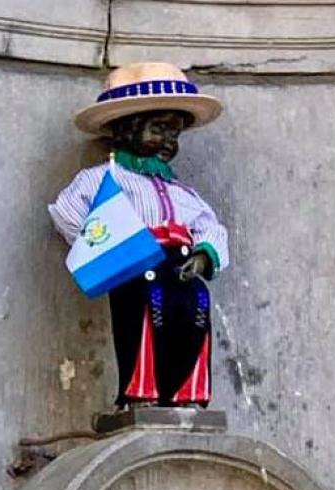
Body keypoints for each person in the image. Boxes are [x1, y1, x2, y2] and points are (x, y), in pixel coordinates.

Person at [49, 62, 229, 408]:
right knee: (145, 320)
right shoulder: (102, 179)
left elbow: (210, 226)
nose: (168, 141)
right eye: (159, 129)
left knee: (196, 309)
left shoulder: (180, 191)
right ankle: (141, 392)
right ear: (127, 130)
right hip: (138, 266)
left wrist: (204, 254)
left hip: (181, 266)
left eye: (174, 134)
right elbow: (68, 210)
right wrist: (113, 249)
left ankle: (185, 393)